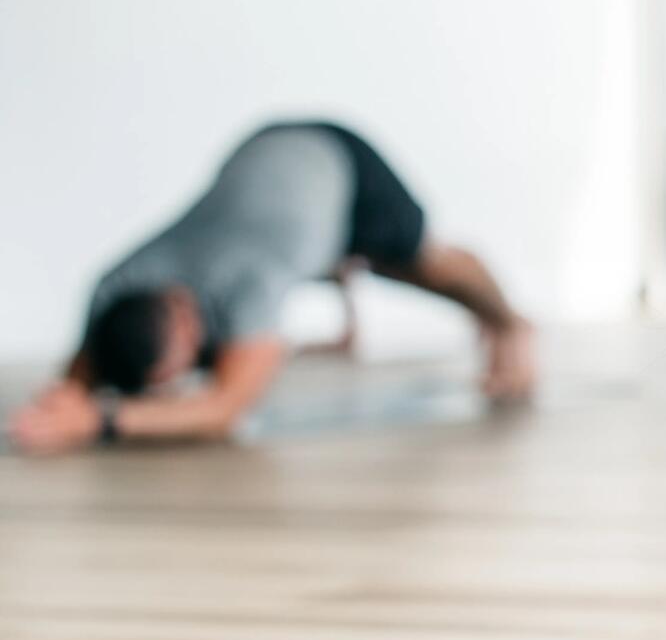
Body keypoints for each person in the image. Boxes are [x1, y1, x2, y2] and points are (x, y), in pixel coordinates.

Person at [7, 121, 534, 454]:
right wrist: (63, 404)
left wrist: (102, 421)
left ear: (186, 317)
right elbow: (72, 386)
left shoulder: (247, 283)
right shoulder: (113, 285)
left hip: (330, 158)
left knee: (421, 265)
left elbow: (224, 411)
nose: (181, 380)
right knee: (322, 262)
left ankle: (512, 326)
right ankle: (341, 285)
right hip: (266, 176)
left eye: (182, 367)